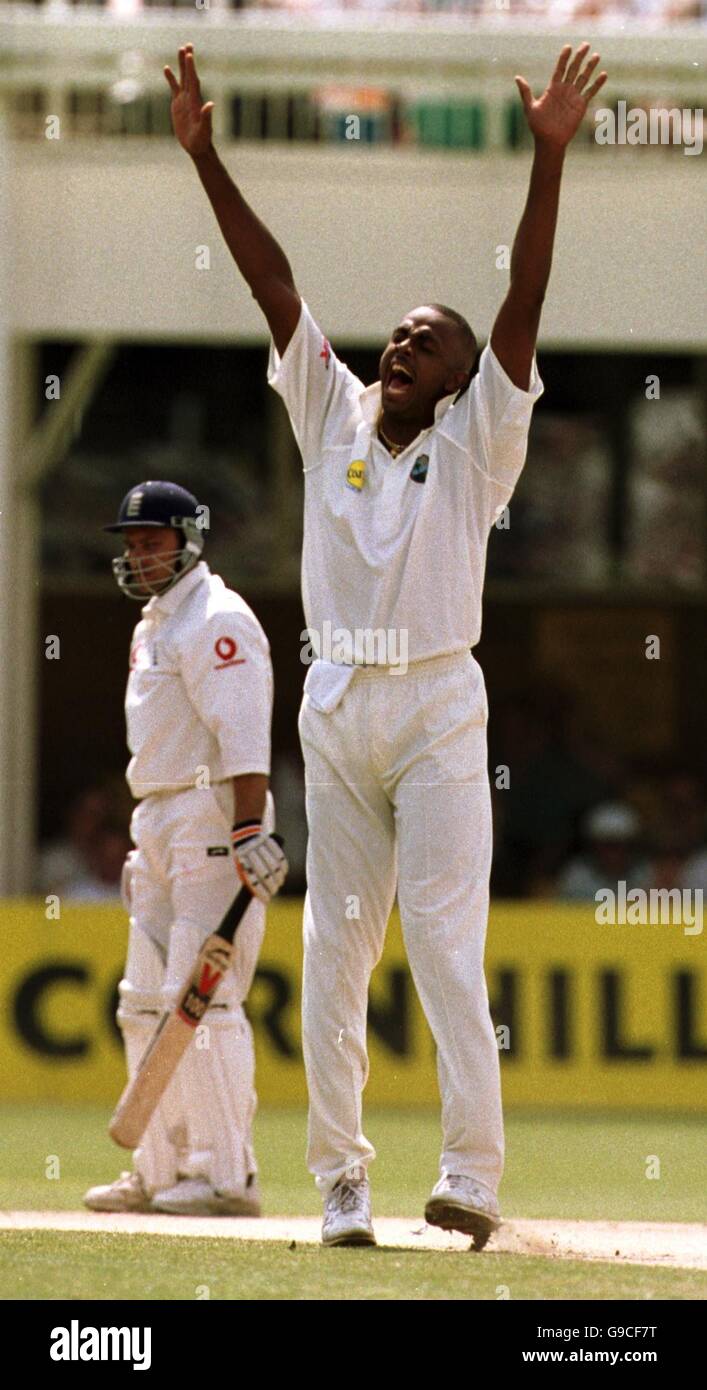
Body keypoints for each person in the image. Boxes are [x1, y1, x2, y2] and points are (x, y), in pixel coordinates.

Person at [165, 40, 606, 1248]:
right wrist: (206, 158)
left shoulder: (476, 446)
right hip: (336, 701)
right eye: (399, 335)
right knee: (330, 955)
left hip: (434, 708)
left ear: (468, 384)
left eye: (429, 343)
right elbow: (272, 285)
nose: (403, 346)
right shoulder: (331, 414)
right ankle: (341, 1183)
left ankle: (469, 1176)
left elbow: (522, 303)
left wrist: (548, 159)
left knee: (443, 951)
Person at [84, 480, 287, 1216]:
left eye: (151, 541)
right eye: (131, 544)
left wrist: (245, 828)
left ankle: (228, 1178)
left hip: (210, 818)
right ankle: (162, 1172)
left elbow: (243, 730)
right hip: (157, 818)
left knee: (202, 1000)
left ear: (189, 541)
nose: (137, 555)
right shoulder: (152, 624)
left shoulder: (217, 617)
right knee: (142, 1005)